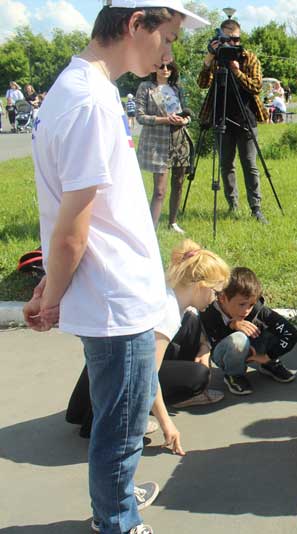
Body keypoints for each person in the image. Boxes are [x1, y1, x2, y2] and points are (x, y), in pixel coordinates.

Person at [22, 2, 208, 533]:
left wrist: (50, 286)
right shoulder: (91, 103)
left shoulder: (77, 91)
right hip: (115, 299)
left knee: (117, 422)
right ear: (135, 24)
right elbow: (74, 226)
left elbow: (72, 215)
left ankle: (115, 504)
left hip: (109, 291)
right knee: (122, 430)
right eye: (167, 37)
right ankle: (119, 523)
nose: (170, 52)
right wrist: (53, 296)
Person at [65, 239, 230, 442]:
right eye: (216, 292)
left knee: (191, 324)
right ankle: (126, 419)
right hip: (117, 384)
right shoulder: (166, 314)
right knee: (198, 376)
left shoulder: (171, 290)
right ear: (201, 286)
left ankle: (123, 409)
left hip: (103, 374)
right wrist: (166, 423)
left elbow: (192, 319)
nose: (215, 298)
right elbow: (147, 376)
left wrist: (204, 347)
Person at [198, 18, 269, 224]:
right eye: (227, 40)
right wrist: (209, 59)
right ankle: (233, 205)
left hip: (245, 118)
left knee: (249, 164)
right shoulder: (216, 59)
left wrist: (237, 71)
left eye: (236, 39)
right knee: (226, 164)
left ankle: (256, 208)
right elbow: (202, 84)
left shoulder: (249, 58)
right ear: (220, 39)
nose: (233, 44)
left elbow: (256, 86)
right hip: (221, 118)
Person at [199, 266, 297, 396]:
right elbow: (212, 344)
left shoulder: (257, 310)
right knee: (238, 340)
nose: (247, 310)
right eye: (242, 304)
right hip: (221, 352)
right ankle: (234, 374)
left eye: (251, 304)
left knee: (272, 327)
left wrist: (268, 356)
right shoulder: (208, 311)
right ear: (223, 298)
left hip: (256, 349)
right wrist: (232, 326)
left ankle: (268, 363)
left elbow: (291, 333)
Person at [135, 61, 192, 232]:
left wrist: (185, 120)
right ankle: (151, 229)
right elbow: (140, 117)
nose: (166, 70)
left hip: (179, 139)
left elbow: (188, 114)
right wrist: (165, 120)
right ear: (154, 68)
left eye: (169, 67)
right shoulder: (146, 87)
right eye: (162, 66)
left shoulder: (177, 89)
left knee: (179, 182)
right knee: (159, 190)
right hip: (157, 143)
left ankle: (172, 222)